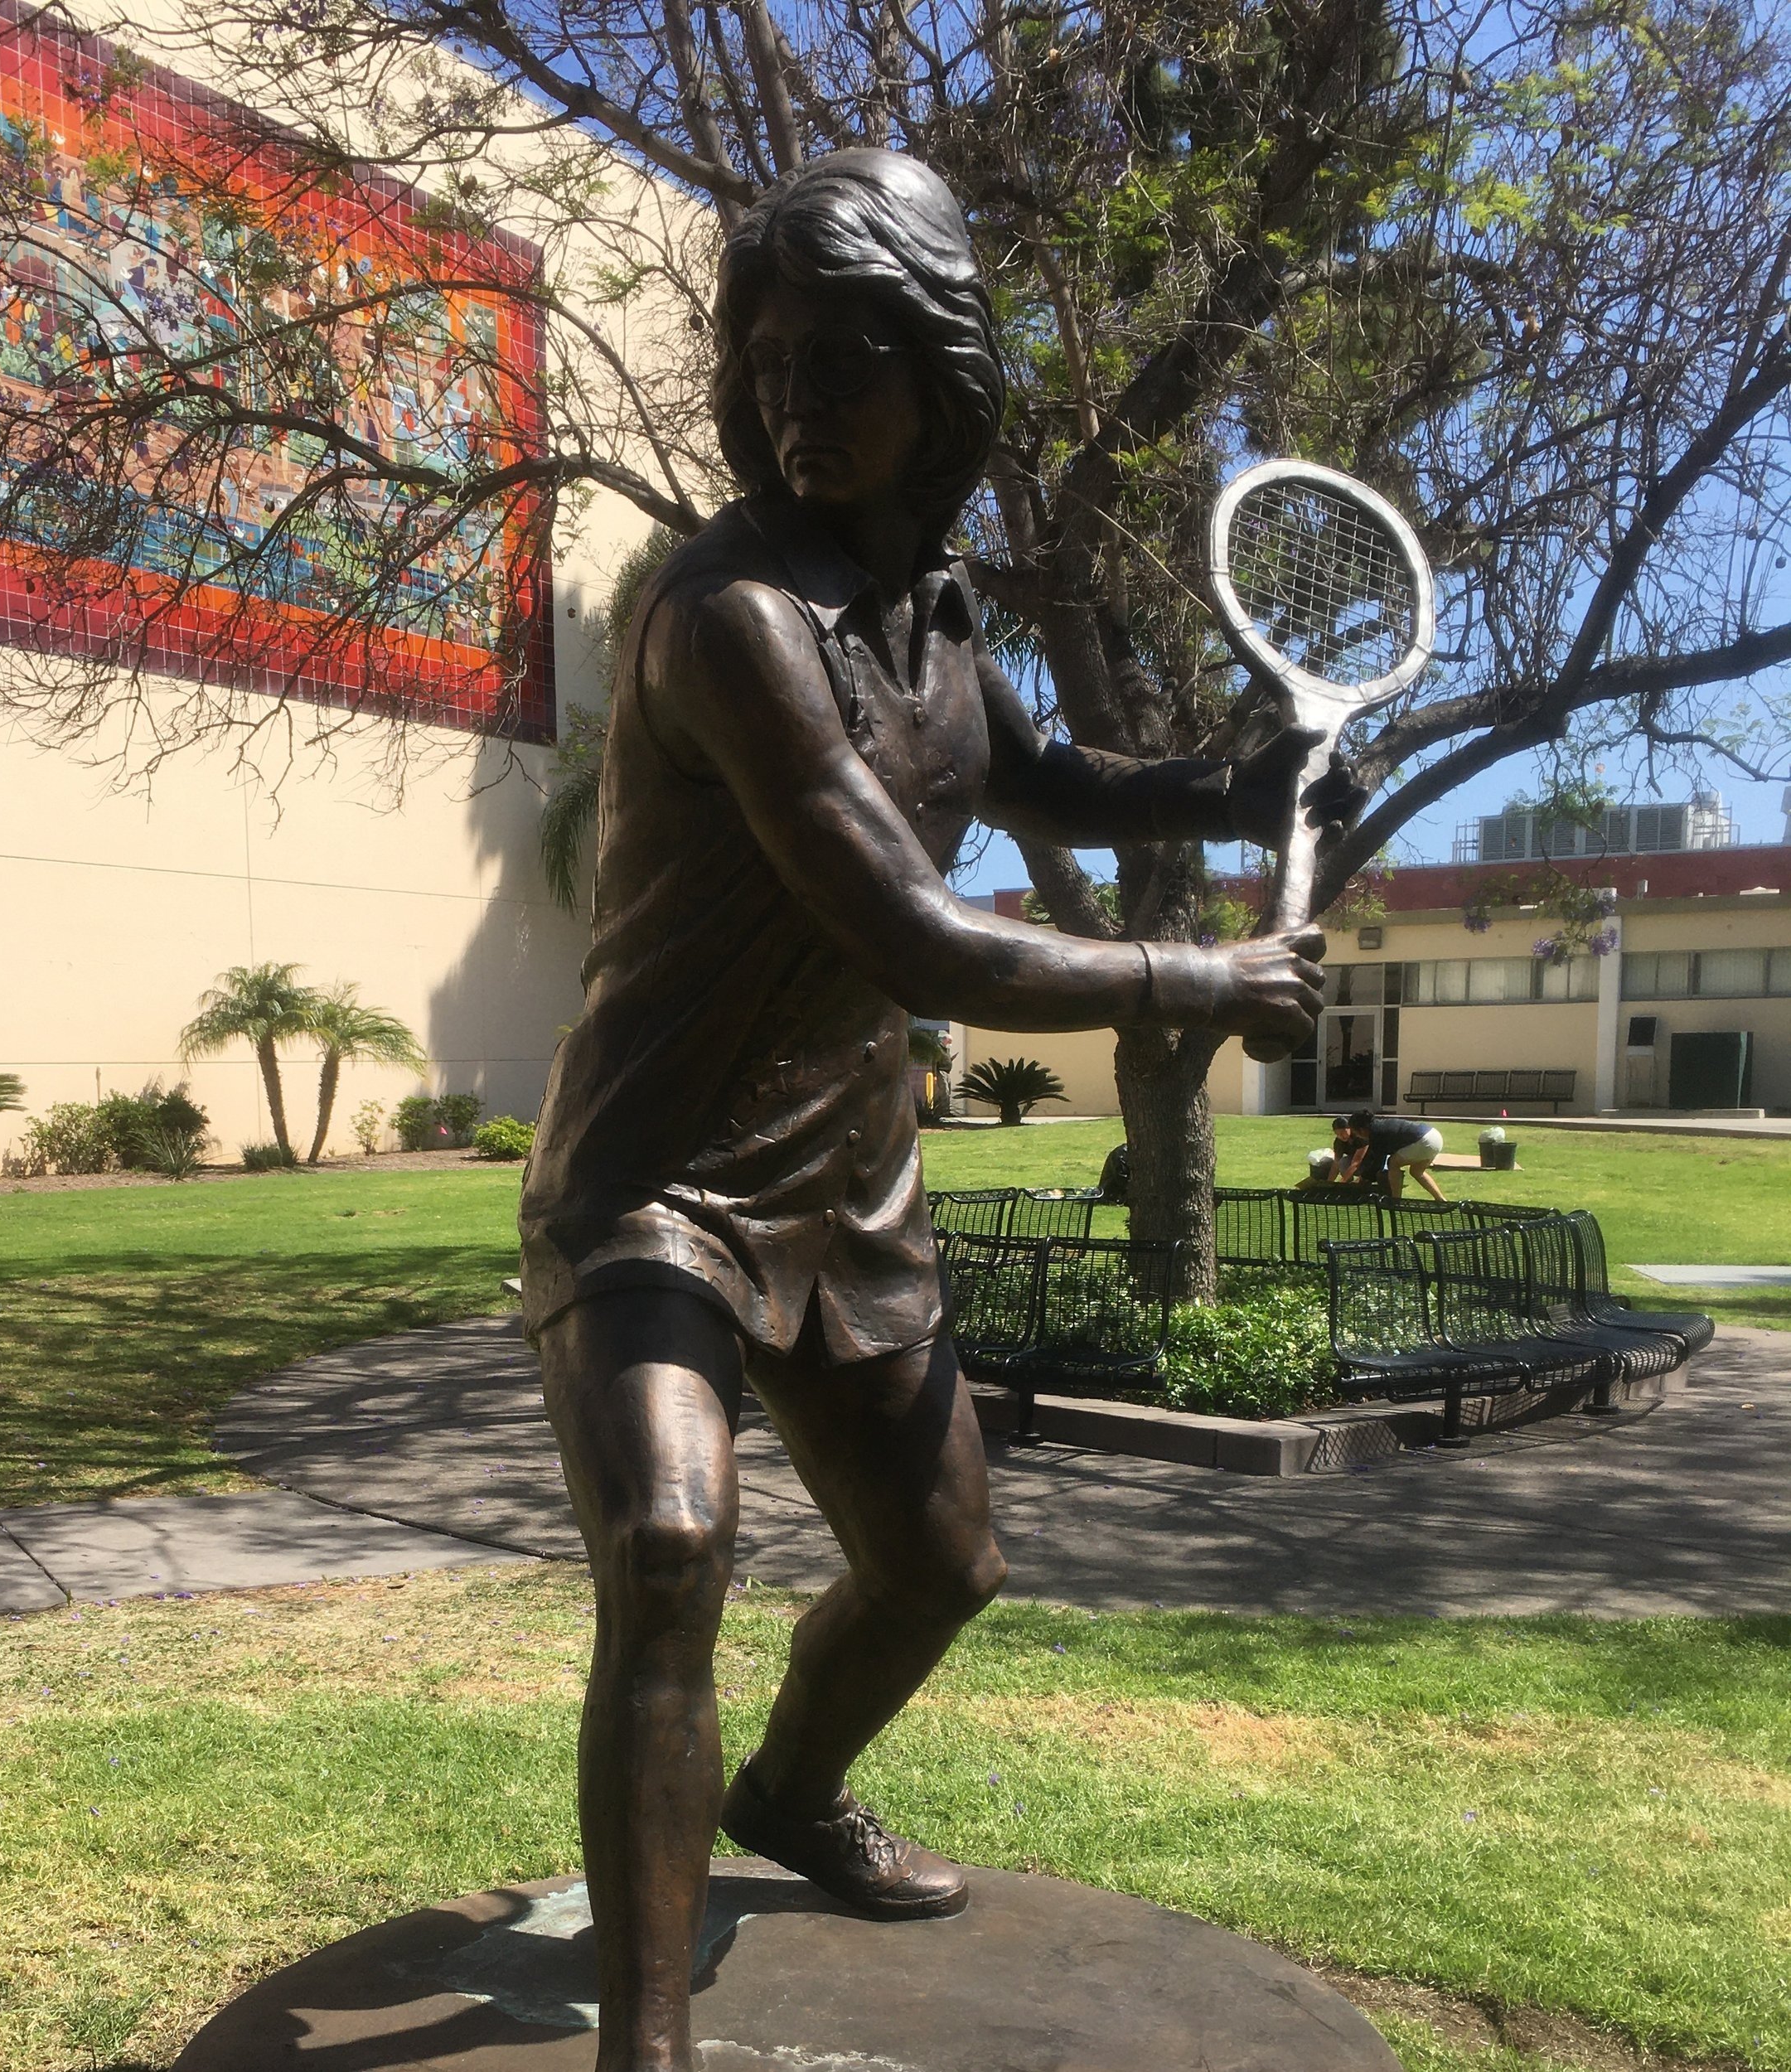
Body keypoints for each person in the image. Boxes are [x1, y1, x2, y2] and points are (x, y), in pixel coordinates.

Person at [518, 148, 1353, 2072]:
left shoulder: (937, 628)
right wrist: (1200, 983)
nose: (798, 400)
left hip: (845, 1185)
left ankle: (792, 1793)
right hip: (655, 1185)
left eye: (846, 363)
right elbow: (920, 930)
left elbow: (1042, 784)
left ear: (941, 388)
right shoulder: (723, 618)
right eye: (775, 360)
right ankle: (647, 2050)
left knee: (941, 1570)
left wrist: (1237, 786)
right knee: (666, 1544)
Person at [1334, 1108, 1448, 1200]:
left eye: (1355, 1132)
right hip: (1435, 1137)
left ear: (1362, 1130)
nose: (1356, 1136)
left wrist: (1362, 1179)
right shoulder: (1378, 1126)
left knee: (1393, 1163)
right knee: (1417, 1171)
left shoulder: (1376, 1134)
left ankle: (1395, 1200)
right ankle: (1440, 1199)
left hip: (1424, 1141)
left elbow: (1378, 1163)